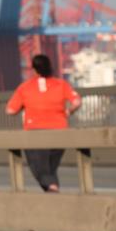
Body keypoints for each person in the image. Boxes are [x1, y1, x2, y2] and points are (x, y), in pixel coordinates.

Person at [5, 53, 82, 192]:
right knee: (50, 168)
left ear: (33, 69)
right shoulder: (62, 84)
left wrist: (24, 106)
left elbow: (10, 110)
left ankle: (53, 188)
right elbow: (76, 101)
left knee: (39, 167)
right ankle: (52, 197)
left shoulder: (25, 87)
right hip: (60, 131)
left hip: (35, 131)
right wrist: (69, 112)